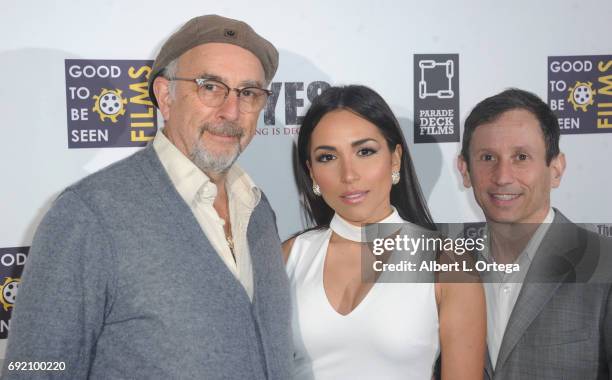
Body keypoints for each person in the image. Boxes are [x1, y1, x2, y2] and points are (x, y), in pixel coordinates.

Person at [3, 15, 291, 379]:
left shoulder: (259, 210)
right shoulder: (89, 214)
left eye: (248, 93)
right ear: (165, 96)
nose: (231, 111)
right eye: (210, 87)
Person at [283, 85, 486, 380]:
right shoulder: (290, 257)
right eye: (328, 157)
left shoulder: (448, 265)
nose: (349, 175)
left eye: (365, 151)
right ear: (312, 172)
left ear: (394, 159)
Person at [457, 88, 612, 379]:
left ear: (556, 168)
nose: (503, 177)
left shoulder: (604, 264)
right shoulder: (446, 265)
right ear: (465, 170)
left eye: (521, 157)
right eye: (488, 157)